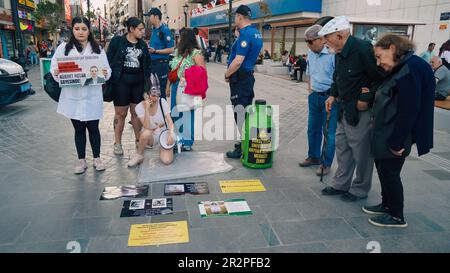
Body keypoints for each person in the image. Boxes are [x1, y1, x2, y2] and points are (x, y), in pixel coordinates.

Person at [364, 34, 435, 228]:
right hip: (389, 129)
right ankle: (387, 205)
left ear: (393, 48)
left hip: (397, 133)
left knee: (390, 172)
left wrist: (397, 142)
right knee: (383, 169)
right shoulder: (404, 65)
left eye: (379, 56)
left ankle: (396, 215)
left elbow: (409, 109)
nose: (378, 63)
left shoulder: (411, 68)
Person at [319, 16, 385, 202]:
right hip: (343, 107)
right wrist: (332, 95)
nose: (325, 42)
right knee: (343, 147)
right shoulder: (339, 52)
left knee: (361, 151)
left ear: (340, 35)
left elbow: (379, 77)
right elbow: (338, 76)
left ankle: (360, 188)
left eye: (327, 37)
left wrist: (365, 99)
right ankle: (341, 183)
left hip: (360, 110)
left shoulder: (363, 49)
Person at [50, 17, 111, 174]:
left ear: (89, 30)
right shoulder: (63, 48)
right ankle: (81, 160)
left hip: (92, 95)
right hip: (73, 96)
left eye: (84, 29)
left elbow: (107, 70)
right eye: (77, 29)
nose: (80, 32)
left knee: (93, 128)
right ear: (72, 30)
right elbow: (54, 67)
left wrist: (105, 73)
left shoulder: (97, 49)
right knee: (78, 129)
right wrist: (56, 72)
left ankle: (97, 158)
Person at [107, 17, 151, 156]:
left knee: (136, 114)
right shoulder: (117, 42)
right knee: (121, 114)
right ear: (131, 29)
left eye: (143, 29)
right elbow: (108, 60)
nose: (143, 32)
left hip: (138, 83)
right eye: (140, 29)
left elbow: (147, 66)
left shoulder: (142, 45)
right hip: (121, 83)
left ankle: (138, 140)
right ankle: (117, 143)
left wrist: (147, 87)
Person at [224, 5, 263, 159]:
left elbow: (238, 61)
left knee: (239, 113)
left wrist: (227, 74)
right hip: (247, 77)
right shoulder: (257, 33)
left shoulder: (245, 34)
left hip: (240, 78)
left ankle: (244, 146)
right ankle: (245, 143)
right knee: (244, 111)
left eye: (235, 17)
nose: (235, 19)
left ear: (239, 16)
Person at [298, 25, 337, 176]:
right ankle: (313, 156)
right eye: (306, 42)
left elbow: (337, 79)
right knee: (312, 129)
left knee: (329, 132)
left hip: (330, 97)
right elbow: (309, 74)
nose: (308, 45)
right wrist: (310, 92)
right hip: (314, 96)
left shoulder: (333, 55)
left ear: (321, 39)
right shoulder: (311, 52)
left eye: (310, 41)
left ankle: (325, 163)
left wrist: (333, 97)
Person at [167, 28, 206, 151]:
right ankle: (177, 138)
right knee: (175, 113)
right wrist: (168, 86)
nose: (178, 39)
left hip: (189, 86)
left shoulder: (196, 53)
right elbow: (172, 69)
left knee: (188, 113)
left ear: (184, 39)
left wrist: (187, 74)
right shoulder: (177, 52)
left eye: (180, 37)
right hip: (176, 85)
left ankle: (187, 142)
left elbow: (202, 71)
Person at [128, 74, 175, 167]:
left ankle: (165, 149)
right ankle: (139, 155)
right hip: (151, 136)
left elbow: (170, 121)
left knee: (166, 161)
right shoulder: (139, 107)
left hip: (163, 134)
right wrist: (146, 110)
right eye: (153, 95)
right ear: (146, 95)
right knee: (146, 132)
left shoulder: (162, 102)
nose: (156, 98)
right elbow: (146, 126)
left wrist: (171, 134)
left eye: (158, 95)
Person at [145, 7, 175, 98]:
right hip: (153, 65)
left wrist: (155, 51)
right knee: (154, 94)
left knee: (161, 94)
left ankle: (164, 112)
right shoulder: (154, 30)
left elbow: (171, 49)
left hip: (161, 65)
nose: (148, 18)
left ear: (155, 16)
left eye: (149, 16)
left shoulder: (165, 30)